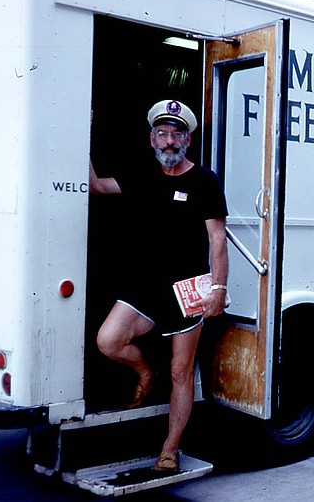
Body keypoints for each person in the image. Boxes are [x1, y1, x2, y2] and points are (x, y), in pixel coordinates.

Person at [90, 99, 229, 473]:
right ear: (152, 139)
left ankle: (170, 448)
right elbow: (96, 187)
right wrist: (80, 134)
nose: (170, 141)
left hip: (186, 291)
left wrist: (217, 288)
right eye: (163, 134)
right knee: (109, 341)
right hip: (144, 287)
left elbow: (217, 240)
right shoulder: (141, 174)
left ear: (188, 139)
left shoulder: (204, 181)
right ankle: (145, 373)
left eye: (177, 134)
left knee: (181, 371)